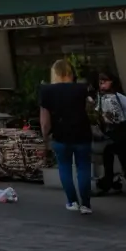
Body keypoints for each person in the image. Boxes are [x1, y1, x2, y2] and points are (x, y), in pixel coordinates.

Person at [39, 58, 95, 214]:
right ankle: (86, 204)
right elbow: (90, 109)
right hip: (82, 133)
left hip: (60, 135)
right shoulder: (81, 88)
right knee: (83, 167)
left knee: (64, 167)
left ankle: (72, 201)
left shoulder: (47, 91)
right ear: (70, 73)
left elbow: (45, 121)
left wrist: (45, 138)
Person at [93, 71, 126, 194]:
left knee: (121, 157)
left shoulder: (118, 96)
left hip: (122, 131)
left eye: (105, 81)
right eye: (100, 81)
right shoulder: (100, 97)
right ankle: (110, 182)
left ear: (111, 82)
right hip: (113, 131)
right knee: (111, 153)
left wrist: (121, 115)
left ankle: (109, 182)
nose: (102, 84)